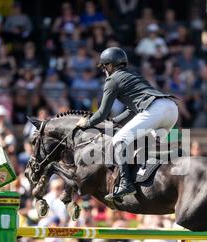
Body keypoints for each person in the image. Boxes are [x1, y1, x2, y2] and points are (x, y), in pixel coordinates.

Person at [75, 47, 178, 200]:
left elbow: (102, 113)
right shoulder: (132, 75)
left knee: (118, 141)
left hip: (155, 110)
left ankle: (126, 184)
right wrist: (114, 121)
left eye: (104, 67)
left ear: (110, 66)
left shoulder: (112, 80)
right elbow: (131, 110)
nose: (104, 70)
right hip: (171, 109)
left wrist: (87, 122)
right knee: (148, 144)